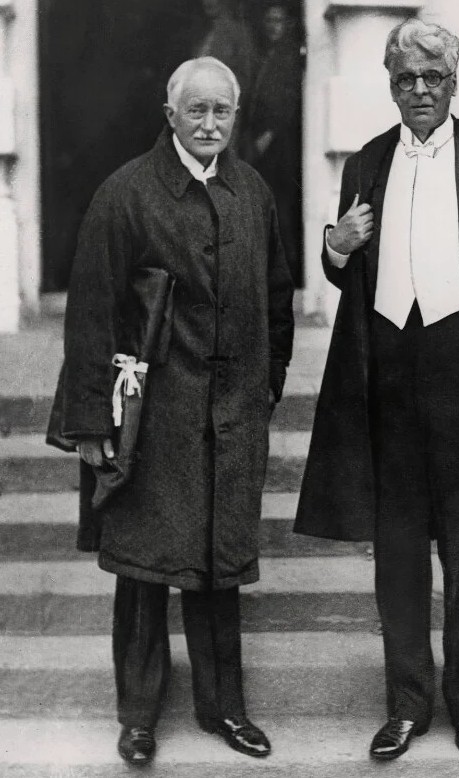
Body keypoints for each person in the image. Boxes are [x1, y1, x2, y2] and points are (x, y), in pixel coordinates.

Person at [295, 18, 459, 761]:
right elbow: (343, 262)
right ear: (390, 85)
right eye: (405, 79)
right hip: (386, 378)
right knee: (398, 552)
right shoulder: (366, 162)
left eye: (431, 78)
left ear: (453, 82)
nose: (418, 90)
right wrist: (332, 246)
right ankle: (407, 703)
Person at [50, 56, 294, 766]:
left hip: (230, 420)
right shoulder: (125, 194)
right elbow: (90, 314)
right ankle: (137, 717)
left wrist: (265, 383)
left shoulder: (252, 192)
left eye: (222, 111)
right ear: (171, 115)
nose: (210, 124)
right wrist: (93, 422)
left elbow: (276, 296)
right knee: (144, 571)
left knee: (218, 568)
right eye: (197, 111)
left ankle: (225, 712)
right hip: (151, 421)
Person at [242, 2, 302, 284]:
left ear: (288, 24)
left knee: (281, 208)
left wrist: (265, 138)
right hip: (266, 146)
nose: (272, 26)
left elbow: (287, 103)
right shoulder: (268, 54)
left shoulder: (289, 56)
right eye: (268, 21)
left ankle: (285, 274)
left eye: (277, 20)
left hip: (280, 148)